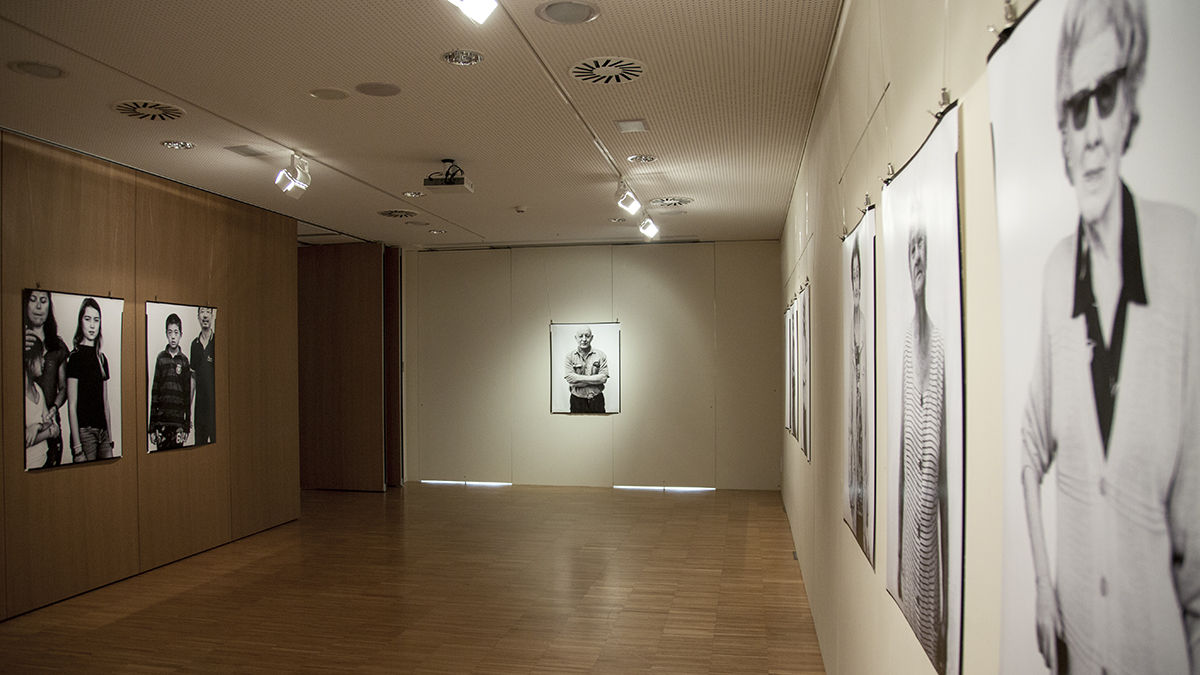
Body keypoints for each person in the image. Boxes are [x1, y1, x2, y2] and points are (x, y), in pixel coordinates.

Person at [1021, 0, 1200, 672]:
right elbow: (1029, 445)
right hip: (1077, 649)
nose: (1092, 130)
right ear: (1063, 143)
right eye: (1076, 107)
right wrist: (1044, 583)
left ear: (1131, 112)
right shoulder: (1054, 277)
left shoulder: (1183, 256)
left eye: (1106, 96)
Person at [898, 221, 948, 674]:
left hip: (932, 555)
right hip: (907, 555)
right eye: (911, 247)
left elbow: (949, 485)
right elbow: (900, 467)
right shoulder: (904, 349)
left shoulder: (942, 351)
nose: (917, 256)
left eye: (923, 247)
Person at [23, 289, 69, 466]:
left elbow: (64, 387)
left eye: (43, 301)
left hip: (50, 424)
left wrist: (54, 408)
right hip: (26, 428)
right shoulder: (16, 339)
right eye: (33, 300)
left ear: (49, 305)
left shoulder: (57, 346)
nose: (38, 306)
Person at [65, 298, 114, 462]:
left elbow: (105, 402)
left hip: (103, 433)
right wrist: (77, 448)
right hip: (85, 433)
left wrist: (110, 438)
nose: (92, 325)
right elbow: (72, 405)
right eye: (88, 319)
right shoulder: (75, 358)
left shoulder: (102, 359)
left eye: (96, 320)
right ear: (81, 321)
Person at [847, 239, 867, 551]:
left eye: (858, 275)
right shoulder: (852, 321)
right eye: (852, 276)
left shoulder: (863, 322)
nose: (856, 282)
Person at [149, 313, 192, 451]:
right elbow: (155, 393)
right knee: (161, 460)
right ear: (166, 334)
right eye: (170, 332)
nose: (173, 336)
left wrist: (186, 426)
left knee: (177, 459)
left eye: (176, 332)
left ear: (181, 334)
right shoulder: (161, 358)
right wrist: (151, 427)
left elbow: (187, 395)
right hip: (162, 421)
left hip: (178, 422)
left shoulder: (184, 361)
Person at [24, 336, 60, 470]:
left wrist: (37, 427)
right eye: (40, 356)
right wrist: (49, 433)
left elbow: (48, 421)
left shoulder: (37, 389)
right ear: (29, 360)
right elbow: (23, 441)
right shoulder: (16, 395)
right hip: (28, 467)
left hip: (44, 460)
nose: (44, 361)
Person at [565, 326, 608, 413]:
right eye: (581, 336)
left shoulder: (601, 355)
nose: (584, 339)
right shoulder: (570, 356)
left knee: (600, 421)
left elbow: (603, 378)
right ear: (576, 338)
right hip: (577, 401)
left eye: (587, 336)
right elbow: (570, 379)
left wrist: (578, 379)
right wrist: (594, 379)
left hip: (597, 400)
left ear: (591, 338)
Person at [190, 306, 216, 445]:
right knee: (199, 447)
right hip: (200, 409)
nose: (205, 315)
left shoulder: (217, 342)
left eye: (208, 312)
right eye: (202, 312)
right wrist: (188, 407)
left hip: (215, 408)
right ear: (198, 317)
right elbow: (193, 379)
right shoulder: (194, 345)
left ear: (212, 316)